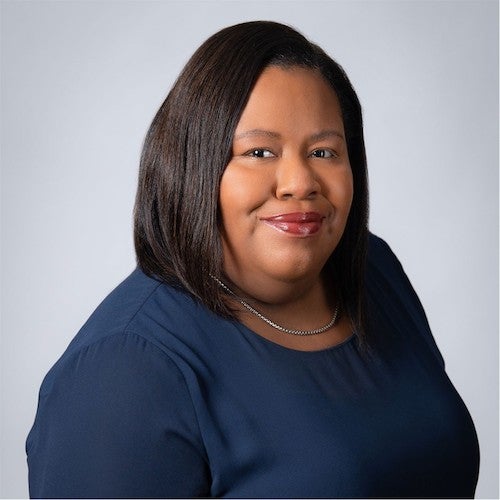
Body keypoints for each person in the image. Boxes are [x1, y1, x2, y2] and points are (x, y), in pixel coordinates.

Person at [26, 21, 480, 498]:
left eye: (324, 151)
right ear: (194, 165)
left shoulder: (375, 272)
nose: (299, 182)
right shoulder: (122, 374)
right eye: (260, 151)